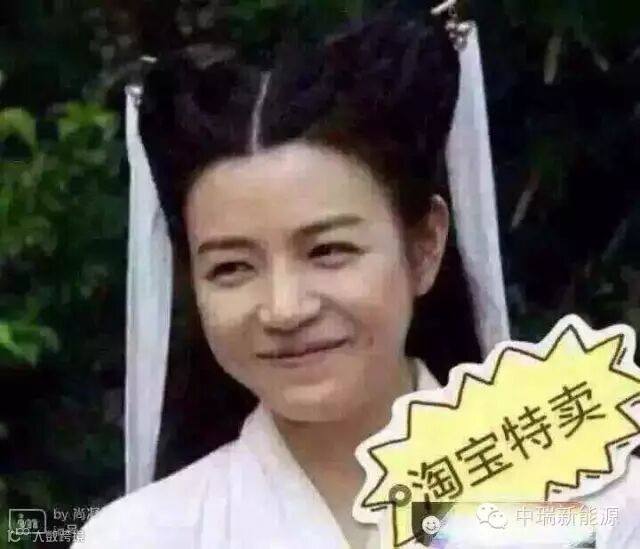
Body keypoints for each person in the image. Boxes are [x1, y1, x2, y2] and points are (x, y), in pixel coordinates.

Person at [73, 8, 639, 549]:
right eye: (231, 267)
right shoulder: (137, 538)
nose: (284, 308)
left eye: (329, 251)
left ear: (424, 246)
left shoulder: (600, 504)